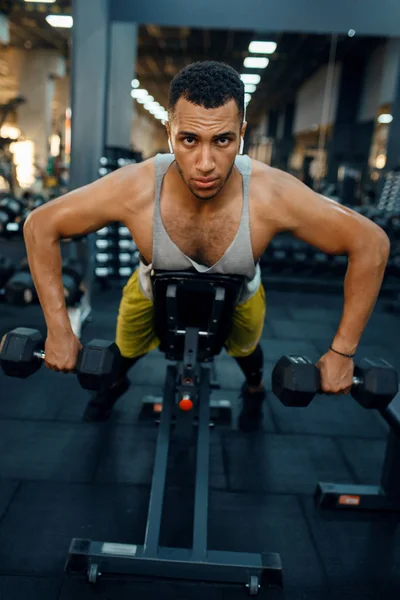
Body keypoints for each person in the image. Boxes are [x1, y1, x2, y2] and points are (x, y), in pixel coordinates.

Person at [23, 61, 390, 431]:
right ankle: (112, 387)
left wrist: (342, 352)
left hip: (241, 291)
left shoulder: (273, 194)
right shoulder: (134, 188)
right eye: (189, 139)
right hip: (151, 288)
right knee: (124, 352)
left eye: (222, 140)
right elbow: (40, 225)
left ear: (241, 134)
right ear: (169, 133)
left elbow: (371, 243)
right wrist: (59, 331)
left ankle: (254, 388)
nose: (205, 164)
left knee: (247, 351)